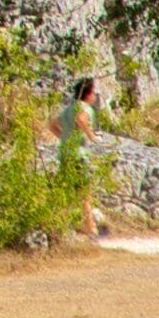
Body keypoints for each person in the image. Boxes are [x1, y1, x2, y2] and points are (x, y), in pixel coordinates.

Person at [57, 76, 109, 239]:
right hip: (79, 156)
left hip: (65, 153)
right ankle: (91, 229)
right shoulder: (85, 108)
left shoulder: (68, 109)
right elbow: (81, 119)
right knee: (84, 193)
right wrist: (92, 136)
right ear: (89, 93)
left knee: (65, 191)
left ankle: (61, 226)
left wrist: (65, 137)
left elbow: (52, 124)